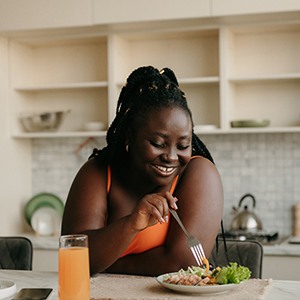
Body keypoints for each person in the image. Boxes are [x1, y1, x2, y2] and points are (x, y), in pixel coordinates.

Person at [61, 66, 223, 276]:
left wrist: (111, 264)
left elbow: (183, 264)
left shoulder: (199, 173)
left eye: (183, 146)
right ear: (129, 138)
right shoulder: (99, 171)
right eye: (157, 143)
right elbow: (74, 257)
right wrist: (130, 225)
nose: (172, 157)